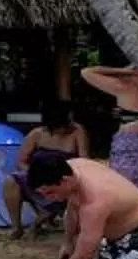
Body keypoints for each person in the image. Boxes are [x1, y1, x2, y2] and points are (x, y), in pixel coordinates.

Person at [83, 63, 138, 214]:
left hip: (132, 149)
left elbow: (87, 72)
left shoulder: (126, 85)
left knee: (127, 196)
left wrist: (123, 70)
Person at [10, 102, 85, 237]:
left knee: (65, 185)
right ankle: (16, 227)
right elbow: (20, 161)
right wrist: (35, 173)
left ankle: (41, 220)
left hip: (63, 177)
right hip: (38, 175)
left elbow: (84, 160)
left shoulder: (77, 131)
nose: (68, 126)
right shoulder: (37, 134)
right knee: (11, 181)